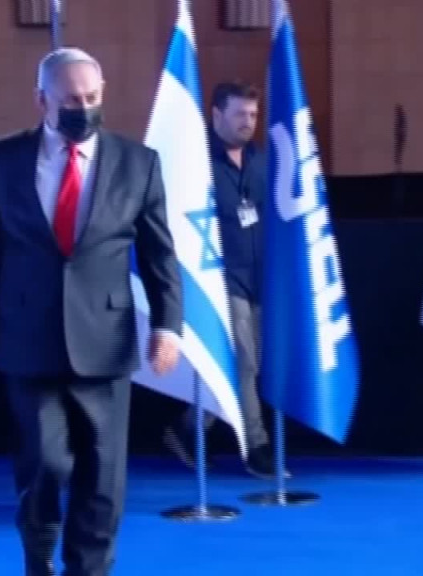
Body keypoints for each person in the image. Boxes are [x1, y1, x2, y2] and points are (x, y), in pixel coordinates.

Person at [0, 47, 182, 576]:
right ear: (42, 101)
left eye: (92, 97)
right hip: (28, 338)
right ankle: (39, 558)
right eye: (71, 100)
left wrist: (168, 325)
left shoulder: (138, 163)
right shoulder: (3, 160)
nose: (84, 107)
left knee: (103, 474)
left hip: (105, 338)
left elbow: (159, 253)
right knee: (45, 463)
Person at [162, 81, 287, 479]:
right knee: (244, 363)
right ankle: (257, 446)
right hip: (219, 279)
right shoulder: (196, 164)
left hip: (259, 278)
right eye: (239, 114)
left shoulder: (260, 160)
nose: (248, 122)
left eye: (253, 115)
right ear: (216, 115)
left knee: (247, 364)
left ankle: (187, 429)